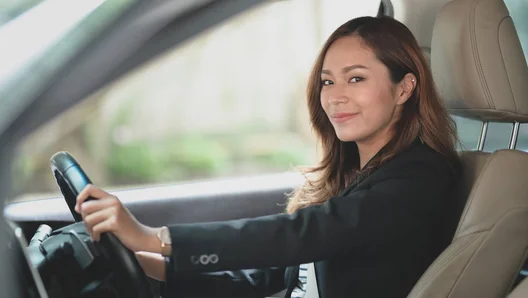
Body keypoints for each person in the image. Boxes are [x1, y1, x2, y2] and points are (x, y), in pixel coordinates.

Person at [74, 16, 463, 298]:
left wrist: (155, 237)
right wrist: (149, 267)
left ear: (404, 88)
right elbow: (268, 279)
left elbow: (303, 233)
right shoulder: (356, 176)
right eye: (328, 81)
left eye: (356, 78)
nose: (335, 95)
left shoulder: (420, 178)